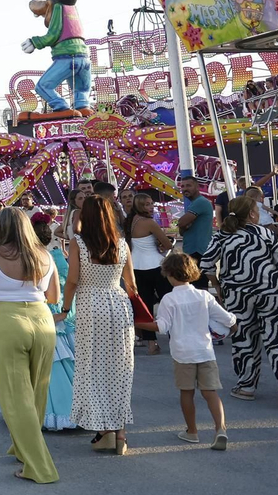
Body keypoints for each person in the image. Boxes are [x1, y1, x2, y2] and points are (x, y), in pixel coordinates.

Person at [0, 206, 60, 483]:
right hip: (43, 322)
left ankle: (40, 466)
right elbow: (54, 295)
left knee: (14, 398)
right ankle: (22, 448)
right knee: (37, 392)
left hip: (7, 323)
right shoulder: (45, 254)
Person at [199, 193, 278, 409]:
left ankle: (246, 387)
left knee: (243, 339)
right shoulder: (264, 233)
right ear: (251, 214)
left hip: (237, 294)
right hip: (271, 292)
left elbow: (206, 264)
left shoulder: (222, 235)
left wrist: (218, 285)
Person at [61, 196, 136, 454]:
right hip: (118, 304)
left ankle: (103, 428)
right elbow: (132, 284)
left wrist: (65, 308)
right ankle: (120, 434)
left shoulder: (79, 243)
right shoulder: (122, 243)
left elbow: (72, 280)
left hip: (91, 307)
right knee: (120, 370)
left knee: (93, 369)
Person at [156, 252, 236, 448]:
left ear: (169, 274)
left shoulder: (168, 299)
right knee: (211, 392)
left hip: (183, 353)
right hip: (205, 351)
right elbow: (227, 318)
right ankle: (220, 429)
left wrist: (140, 323)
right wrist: (233, 326)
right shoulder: (204, 296)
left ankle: (192, 431)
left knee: (187, 392)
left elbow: (163, 326)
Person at [31, 212, 77, 431]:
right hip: (60, 312)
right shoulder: (57, 255)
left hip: (40, 312)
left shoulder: (28, 257)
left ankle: (51, 411)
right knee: (64, 361)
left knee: (47, 364)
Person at [126, 190, 174, 355]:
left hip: (136, 267)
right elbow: (168, 244)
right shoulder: (149, 222)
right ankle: (174, 336)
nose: (151, 206)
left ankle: (151, 343)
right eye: (147, 204)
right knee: (168, 301)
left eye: (151, 203)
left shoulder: (129, 222)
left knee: (144, 306)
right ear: (140, 206)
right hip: (155, 265)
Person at [177, 172, 216, 288]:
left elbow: (181, 223)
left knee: (199, 288)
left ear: (197, 187)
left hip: (198, 252)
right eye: (182, 186)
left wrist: (183, 225)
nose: (185, 189)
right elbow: (182, 230)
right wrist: (183, 226)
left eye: (188, 185)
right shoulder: (195, 204)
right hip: (195, 250)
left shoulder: (200, 203)